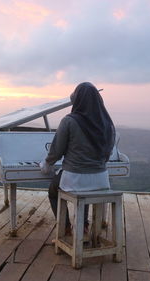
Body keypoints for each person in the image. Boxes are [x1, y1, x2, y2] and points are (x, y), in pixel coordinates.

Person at [40, 82, 115, 236]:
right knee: (86, 190)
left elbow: (56, 151)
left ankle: (65, 228)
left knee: (53, 191)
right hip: (101, 179)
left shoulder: (69, 121)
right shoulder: (107, 123)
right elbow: (107, 154)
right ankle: (84, 226)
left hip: (75, 177)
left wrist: (46, 163)